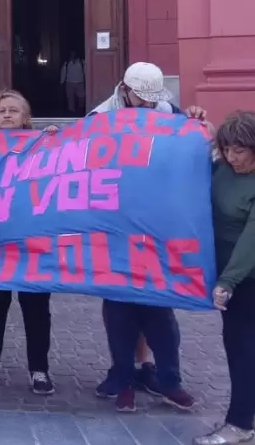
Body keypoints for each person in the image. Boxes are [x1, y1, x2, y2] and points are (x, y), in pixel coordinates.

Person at [91, 61, 206, 408]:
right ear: (124, 90)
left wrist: (196, 122)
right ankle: (123, 377)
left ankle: (168, 379)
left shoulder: (170, 112)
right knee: (119, 307)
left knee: (159, 308)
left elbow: (190, 149)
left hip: (157, 226)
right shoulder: (99, 118)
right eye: (141, 98)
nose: (146, 106)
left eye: (150, 99)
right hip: (116, 223)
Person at [0, 90, 55, 395]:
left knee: (36, 308)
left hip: (32, 242)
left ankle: (39, 369)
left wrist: (58, 139)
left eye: (13, 110)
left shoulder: (44, 146)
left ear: (25, 118)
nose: (7, 114)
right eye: (2, 110)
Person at [194, 111, 255, 445]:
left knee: (242, 348)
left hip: (248, 277)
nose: (232, 157)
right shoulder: (224, 170)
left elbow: (251, 236)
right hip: (230, 272)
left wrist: (228, 281)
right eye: (227, 149)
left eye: (239, 151)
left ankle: (240, 424)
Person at [60, 50, 86, 115]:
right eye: (72, 54)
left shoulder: (82, 62)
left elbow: (86, 72)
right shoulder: (67, 62)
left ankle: (80, 111)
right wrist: (62, 82)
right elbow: (63, 73)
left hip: (80, 82)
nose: (73, 55)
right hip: (69, 83)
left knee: (81, 98)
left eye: (74, 53)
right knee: (70, 99)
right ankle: (71, 113)